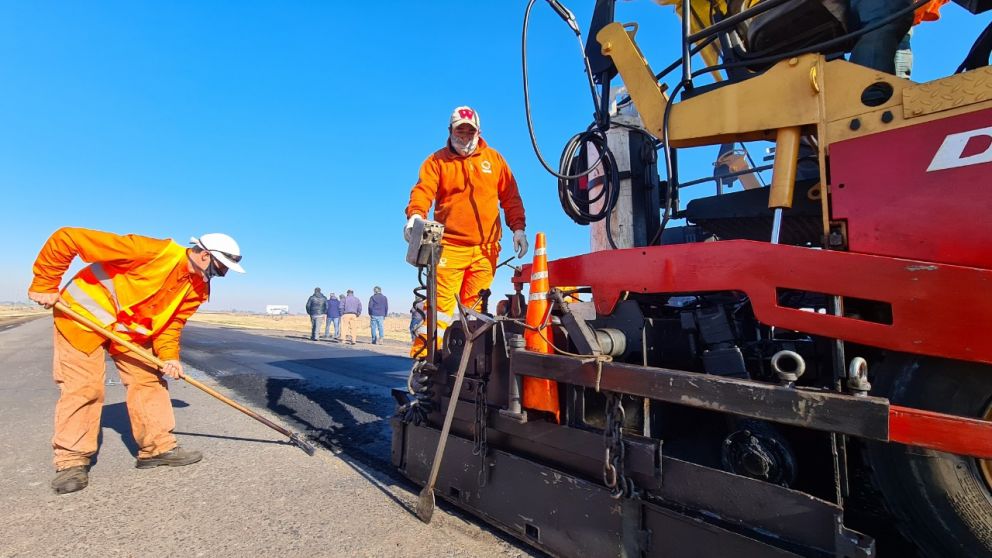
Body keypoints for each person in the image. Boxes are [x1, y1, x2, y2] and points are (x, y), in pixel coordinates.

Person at [27, 227, 245, 494]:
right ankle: (71, 462)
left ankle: (156, 449)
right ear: (204, 256)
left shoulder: (197, 287)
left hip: (129, 334)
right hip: (82, 319)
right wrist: (45, 284)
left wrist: (169, 357)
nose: (220, 275)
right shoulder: (152, 251)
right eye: (220, 269)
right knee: (84, 388)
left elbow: (172, 323)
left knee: (150, 381)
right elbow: (68, 237)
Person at [404, 106, 528, 358]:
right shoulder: (436, 161)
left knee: (475, 312)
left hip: (486, 250)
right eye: (459, 132)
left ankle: (469, 366)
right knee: (439, 309)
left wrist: (518, 229)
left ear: (478, 132)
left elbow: (510, 197)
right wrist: (415, 216)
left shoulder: (494, 160)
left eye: (469, 132)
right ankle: (424, 364)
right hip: (450, 246)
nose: (464, 137)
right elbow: (423, 191)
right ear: (450, 131)